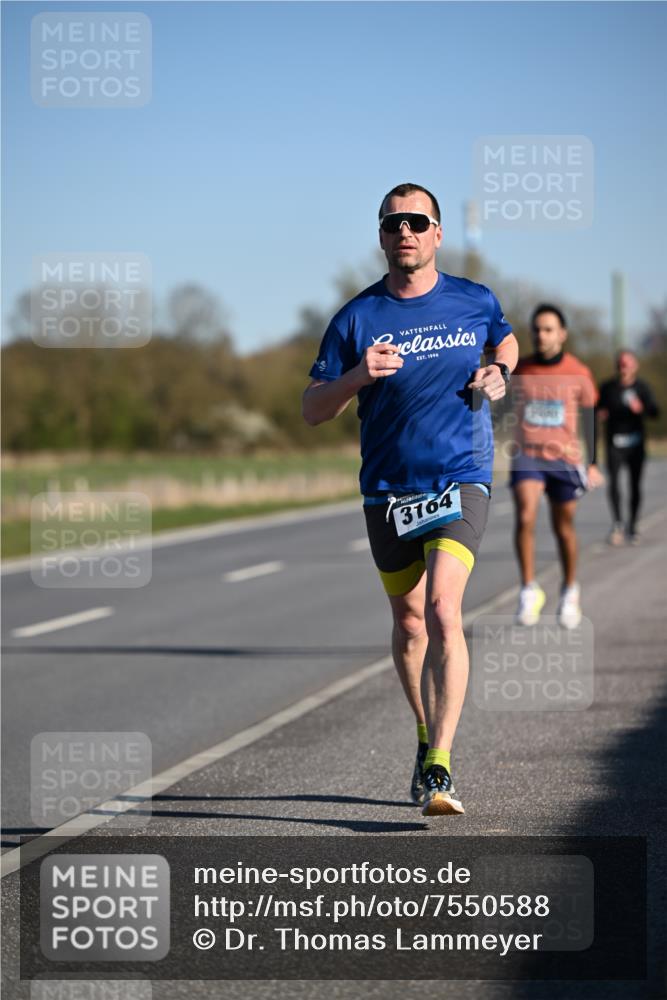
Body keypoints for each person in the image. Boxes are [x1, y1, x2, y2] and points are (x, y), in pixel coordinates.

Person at [302, 183, 518, 816]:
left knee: (446, 611)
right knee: (410, 621)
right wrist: (356, 376)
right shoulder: (355, 318)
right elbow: (313, 409)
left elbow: (503, 340)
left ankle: (443, 767)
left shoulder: (474, 300)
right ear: (381, 234)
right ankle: (425, 738)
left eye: (418, 221)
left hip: (462, 477)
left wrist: (500, 372)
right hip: (389, 491)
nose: (407, 231)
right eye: (394, 222)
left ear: (437, 233)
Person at [510, 304, 603, 629]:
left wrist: (592, 463)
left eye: (548, 329)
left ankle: (570, 589)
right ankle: (528, 589)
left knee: (563, 529)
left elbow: (590, 422)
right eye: (537, 329)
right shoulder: (520, 370)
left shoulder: (578, 373)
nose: (541, 335)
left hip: (564, 458)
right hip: (528, 455)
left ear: (562, 334)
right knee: (525, 515)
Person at [598, 349, 660, 545]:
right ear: (618, 366)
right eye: (621, 363)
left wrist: (642, 409)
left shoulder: (642, 387)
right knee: (614, 484)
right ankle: (617, 523)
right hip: (614, 443)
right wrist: (600, 413)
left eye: (628, 363)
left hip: (635, 444)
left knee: (634, 485)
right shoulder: (608, 388)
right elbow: (596, 408)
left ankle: (633, 525)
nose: (624, 367)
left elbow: (655, 412)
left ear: (635, 366)